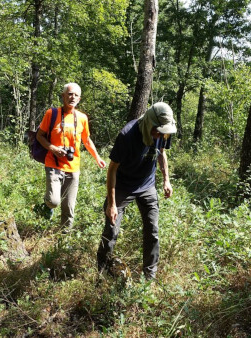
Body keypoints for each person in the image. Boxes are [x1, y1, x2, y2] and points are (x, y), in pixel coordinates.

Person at [96, 102, 176, 280]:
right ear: (149, 123)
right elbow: (112, 169)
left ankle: (149, 277)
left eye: (164, 132)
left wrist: (166, 180)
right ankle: (101, 272)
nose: (160, 135)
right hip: (123, 185)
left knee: (152, 229)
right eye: (157, 131)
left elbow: (162, 153)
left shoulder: (164, 131)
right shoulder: (127, 135)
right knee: (111, 229)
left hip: (147, 185)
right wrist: (112, 203)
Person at [35, 83, 106, 230]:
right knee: (54, 201)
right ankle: (48, 206)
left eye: (75, 95)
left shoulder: (82, 118)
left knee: (69, 206)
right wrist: (53, 148)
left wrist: (97, 157)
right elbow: (40, 136)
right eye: (69, 94)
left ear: (79, 99)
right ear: (63, 96)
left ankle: (64, 237)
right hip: (53, 164)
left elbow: (86, 140)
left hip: (73, 167)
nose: (72, 97)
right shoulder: (51, 114)